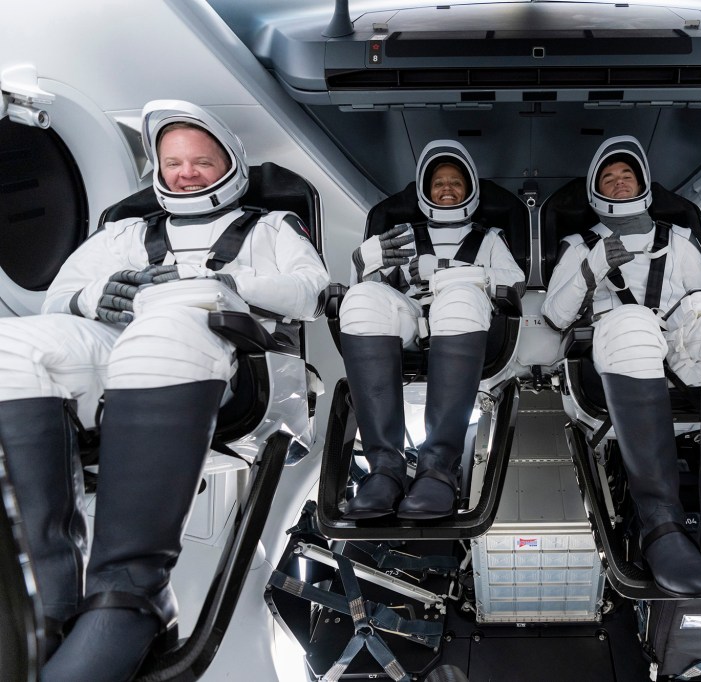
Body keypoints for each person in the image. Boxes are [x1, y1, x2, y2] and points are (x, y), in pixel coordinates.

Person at [0, 99, 329, 681]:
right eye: (174, 163)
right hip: (120, 346)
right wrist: (98, 296)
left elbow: (308, 290)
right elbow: (58, 297)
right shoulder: (125, 232)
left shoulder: (271, 227)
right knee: (15, 347)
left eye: (202, 161)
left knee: (173, 312)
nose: (187, 174)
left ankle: (132, 597)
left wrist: (216, 280)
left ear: (231, 164)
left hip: (234, 356)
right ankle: (51, 597)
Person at [541, 136, 701, 599]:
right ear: (596, 191)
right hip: (616, 340)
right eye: (608, 179)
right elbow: (555, 316)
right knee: (632, 320)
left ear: (643, 184)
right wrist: (590, 271)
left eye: (627, 176)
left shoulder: (678, 242)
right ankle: (659, 523)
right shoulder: (579, 246)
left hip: (678, 341)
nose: (619, 184)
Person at [337, 140, 525, 520]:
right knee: (360, 299)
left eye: (455, 182)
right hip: (409, 317)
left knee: (458, 297)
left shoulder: (488, 239)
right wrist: (360, 263)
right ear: (425, 190)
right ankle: (384, 471)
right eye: (438, 182)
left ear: (469, 189)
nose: (447, 189)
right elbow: (370, 285)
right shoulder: (402, 234)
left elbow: (513, 282)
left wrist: (449, 276)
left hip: (464, 321)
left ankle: (438, 470)